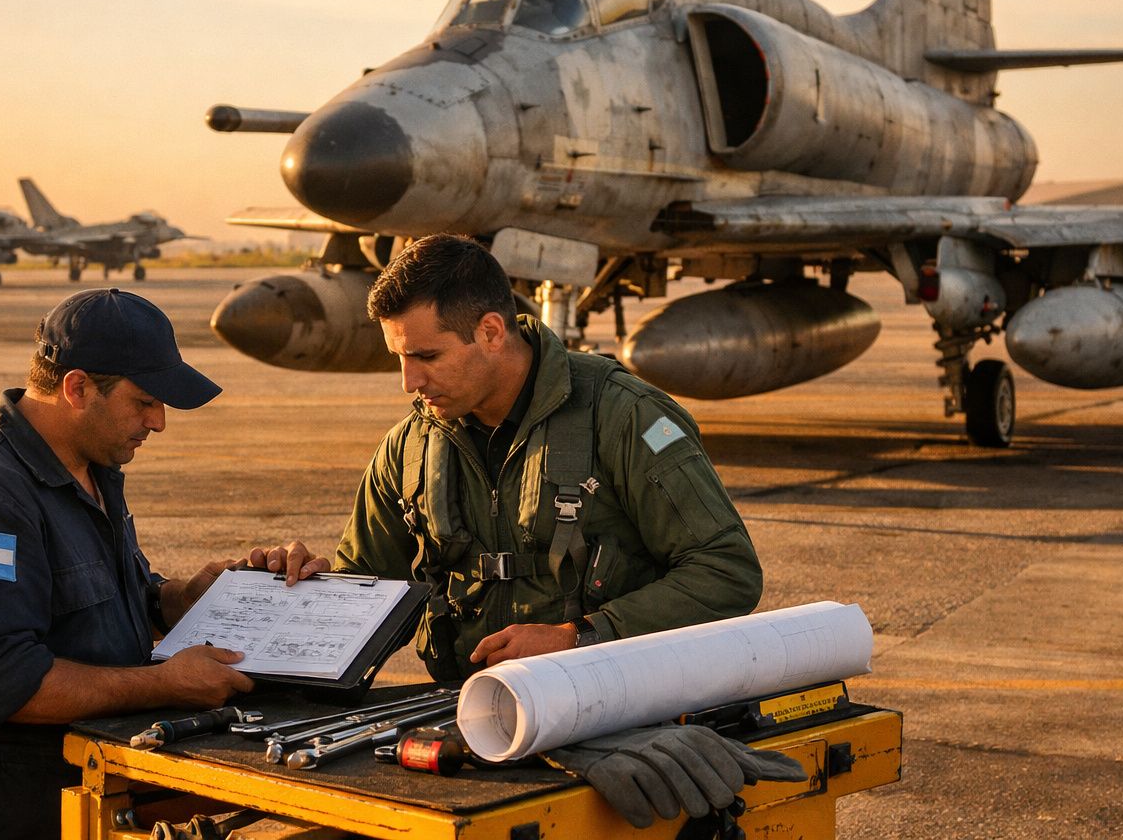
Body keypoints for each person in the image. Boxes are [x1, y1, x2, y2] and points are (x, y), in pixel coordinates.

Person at [0, 288, 298, 839]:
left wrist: (181, 600)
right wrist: (166, 684)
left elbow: (93, 605)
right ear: (77, 388)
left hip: (73, 786)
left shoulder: (86, 468)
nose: (158, 422)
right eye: (144, 402)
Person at [279, 234, 762, 681]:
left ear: (491, 332)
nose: (409, 382)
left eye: (427, 356)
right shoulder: (409, 447)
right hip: (466, 707)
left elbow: (725, 571)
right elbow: (364, 592)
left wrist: (580, 637)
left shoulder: (626, 416)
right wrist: (292, 588)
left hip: (611, 697)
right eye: (399, 358)